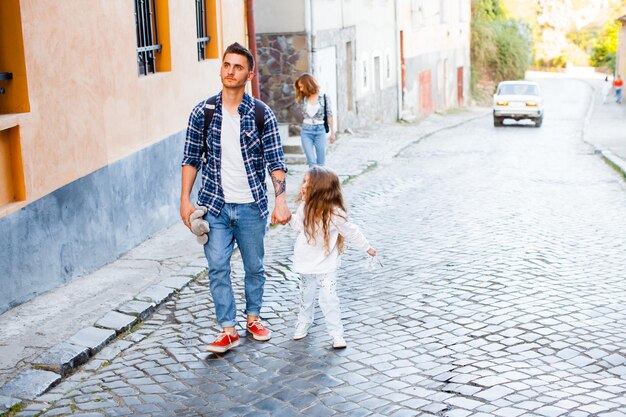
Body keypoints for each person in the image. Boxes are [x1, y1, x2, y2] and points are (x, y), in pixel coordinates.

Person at [180, 42, 291, 354]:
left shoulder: (260, 114)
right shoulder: (202, 113)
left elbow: (276, 162)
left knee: (254, 266)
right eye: (227, 65)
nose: (231, 71)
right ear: (221, 69)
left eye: (238, 67)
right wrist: (184, 200)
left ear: (249, 74)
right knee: (217, 266)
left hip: (251, 207)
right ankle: (227, 329)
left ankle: (253, 317)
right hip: (213, 206)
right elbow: (191, 159)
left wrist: (280, 201)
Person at [289, 166, 376, 349]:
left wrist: (367, 247)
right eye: (303, 181)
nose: (302, 186)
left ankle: (336, 333)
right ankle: (304, 321)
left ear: (321, 189)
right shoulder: (304, 207)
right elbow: (299, 226)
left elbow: (351, 231)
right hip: (306, 261)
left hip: (326, 264)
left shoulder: (334, 213)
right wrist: (287, 218)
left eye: (307, 182)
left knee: (329, 297)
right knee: (306, 294)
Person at [293, 73, 335, 167]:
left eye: (302, 86)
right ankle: (313, 181)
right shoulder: (303, 98)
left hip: (320, 131)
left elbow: (329, 114)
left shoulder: (324, 96)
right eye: (299, 87)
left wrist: (332, 132)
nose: (300, 89)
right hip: (306, 131)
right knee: (311, 162)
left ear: (308, 85)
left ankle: (321, 181)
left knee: (321, 162)